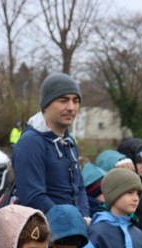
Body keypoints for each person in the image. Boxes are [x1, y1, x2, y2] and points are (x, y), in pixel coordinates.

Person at [13, 73, 89, 220]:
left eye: (75, 101)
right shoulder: (30, 143)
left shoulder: (70, 142)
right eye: (63, 100)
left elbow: (79, 188)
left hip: (74, 230)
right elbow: (33, 197)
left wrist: (84, 217)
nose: (71, 107)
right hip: (45, 230)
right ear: (46, 105)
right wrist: (70, 222)